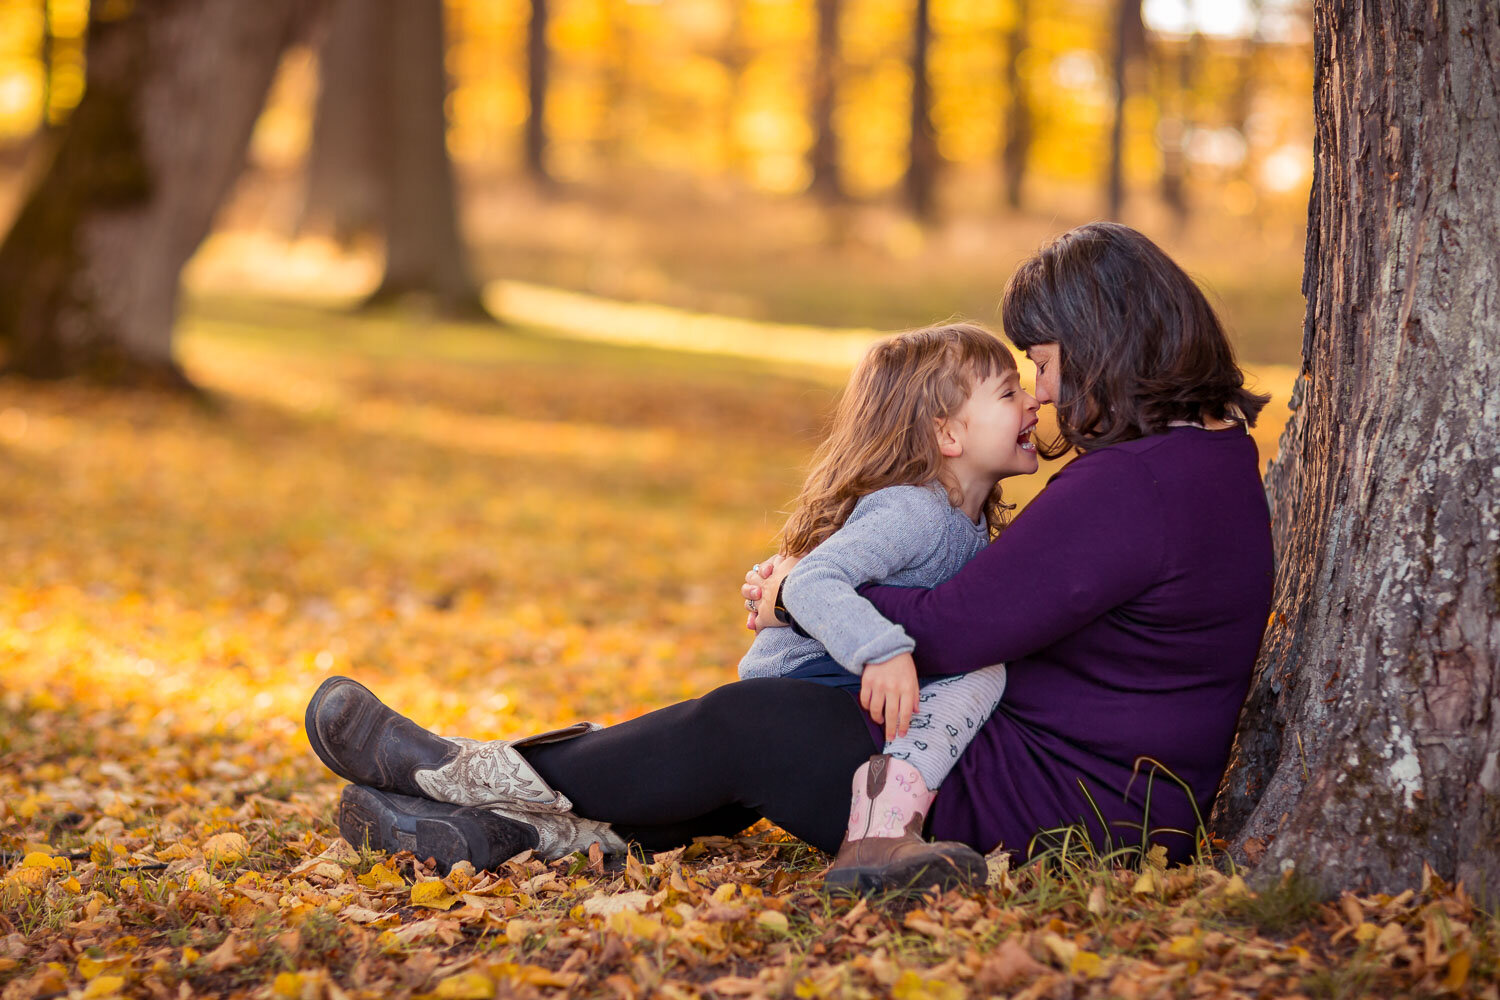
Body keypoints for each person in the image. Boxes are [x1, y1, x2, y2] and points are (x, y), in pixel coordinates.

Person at [304, 221, 1274, 894]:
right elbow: (997, 609)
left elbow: (949, 626)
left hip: (1045, 805)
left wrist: (798, 595)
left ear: (1104, 344)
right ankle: (506, 830)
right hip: (1078, 789)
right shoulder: (1206, 461)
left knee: (753, 724)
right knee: (783, 731)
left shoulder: (1138, 484)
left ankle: (467, 773)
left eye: (1047, 364)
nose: (1045, 394)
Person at [736, 322, 1037, 889]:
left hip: (834, 680)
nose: (1035, 403)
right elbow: (810, 582)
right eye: (1008, 393)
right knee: (981, 667)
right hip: (805, 677)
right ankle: (880, 830)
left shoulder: (967, 524)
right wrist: (883, 652)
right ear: (947, 434)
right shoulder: (914, 511)